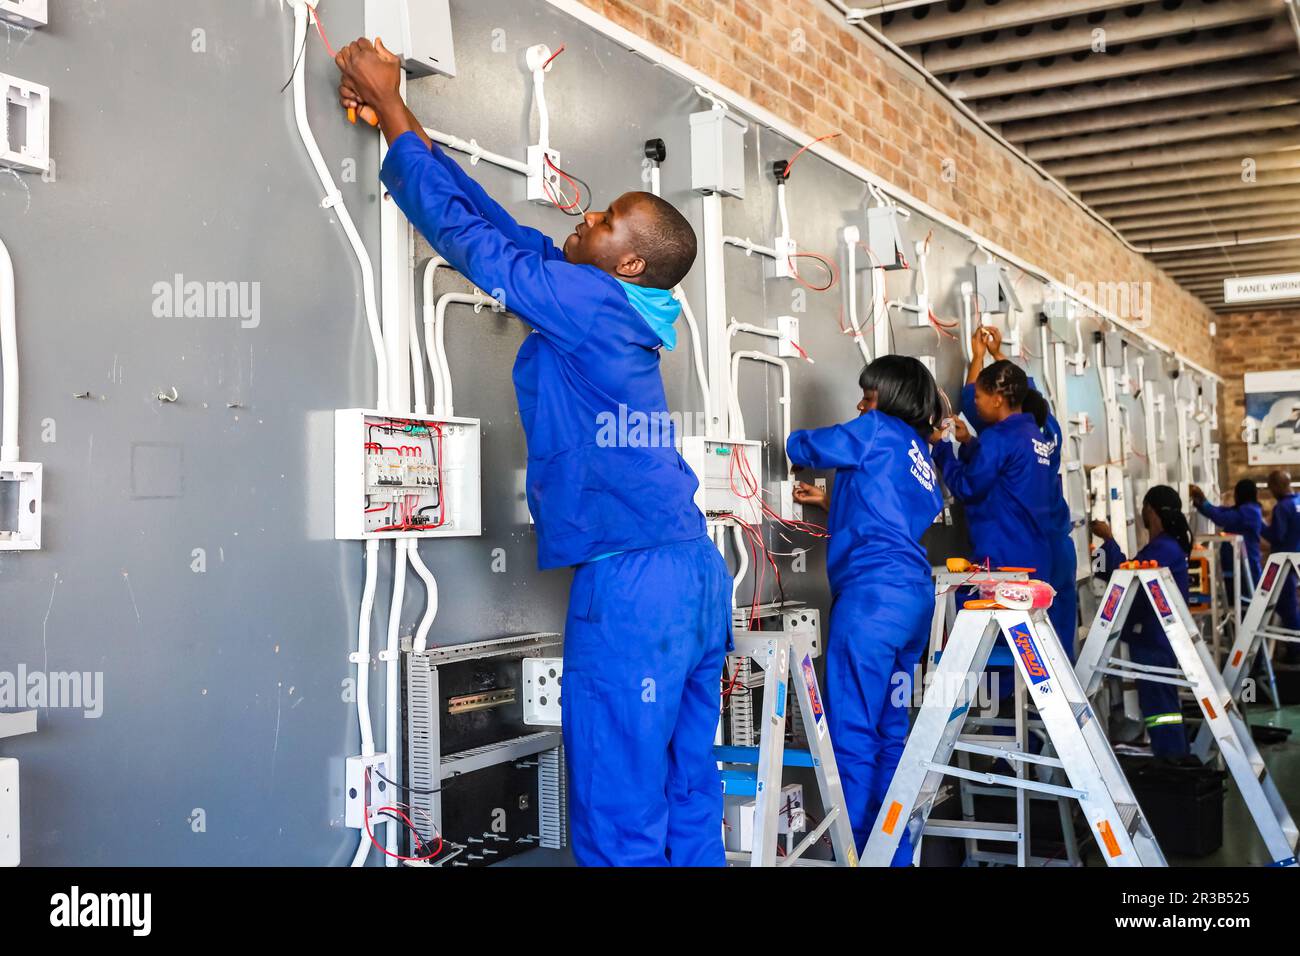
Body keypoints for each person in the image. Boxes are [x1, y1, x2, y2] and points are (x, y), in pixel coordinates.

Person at [335, 38, 732, 866]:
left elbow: (470, 243)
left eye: (601, 221)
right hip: (692, 574)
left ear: (626, 260)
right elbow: (500, 227)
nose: (581, 218)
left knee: (618, 798)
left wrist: (391, 97)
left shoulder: (589, 303)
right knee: (685, 784)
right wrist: (397, 125)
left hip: (635, 585)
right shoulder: (617, 304)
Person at [787, 355, 946, 864]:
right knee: (891, 729)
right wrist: (830, 501)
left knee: (853, 730)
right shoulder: (921, 455)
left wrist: (787, 443)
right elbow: (886, 514)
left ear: (889, 400)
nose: (861, 404)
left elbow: (806, 445)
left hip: (872, 603)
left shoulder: (876, 429)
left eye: (868, 395)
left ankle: (852, 853)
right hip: (913, 602)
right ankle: (894, 853)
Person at [959, 328, 1078, 658]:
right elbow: (1025, 392)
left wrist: (980, 356)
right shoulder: (1045, 433)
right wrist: (998, 357)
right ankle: (1054, 695)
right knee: (1051, 629)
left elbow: (972, 397)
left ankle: (1011, 698)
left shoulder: (1004, 438)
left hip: (1014, 545)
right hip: (1052, 543)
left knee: (1007, 631)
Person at [1092, 486, 1193, 758]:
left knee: (1161, 706)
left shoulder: (1162, 548)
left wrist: (1108, 540)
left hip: (1155, 639)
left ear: (1149, 510)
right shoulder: (1168, 546)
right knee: (1160, 702)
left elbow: (1127, 576)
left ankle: (1172, 759)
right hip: (1157, 638)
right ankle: (1171, 754)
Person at [1189, 479, 1264, 595]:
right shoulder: (1245, 509)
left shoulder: (1250, 511)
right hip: (1235, 565)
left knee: (1246, 603)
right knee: (1235, 600)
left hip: (1246, 566)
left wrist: (1203, 501)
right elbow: (1220, 511)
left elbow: (1221, 518)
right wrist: (1200, 504)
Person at [1262, 470, 1300, 664]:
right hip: (1297, 559)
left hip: (1284, 562)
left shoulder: (1282, 508)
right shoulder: (1298, 501)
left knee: (1287, 606)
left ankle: (1295, 651)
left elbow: (1276, 535)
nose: (1270, 492)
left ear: (1276, 486)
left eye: (1270, 488)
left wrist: (1259, 526)